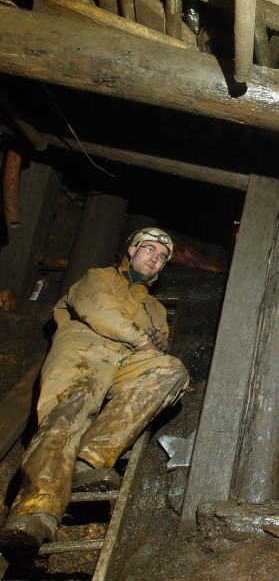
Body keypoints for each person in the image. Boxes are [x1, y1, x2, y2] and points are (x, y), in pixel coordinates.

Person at [0, 228, 189, 548]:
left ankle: (89, 460)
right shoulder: (99, 277)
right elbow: (98, 309)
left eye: (161, 257)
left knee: (172, 371)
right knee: (68, 411)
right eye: (149, 250)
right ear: (132, 250)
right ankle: (35, 513)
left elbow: (159, 348)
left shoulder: (155, 308)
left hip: (124, 361)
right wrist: (144, 340)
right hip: (84, 352)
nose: (154, 259)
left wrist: (158, 344)